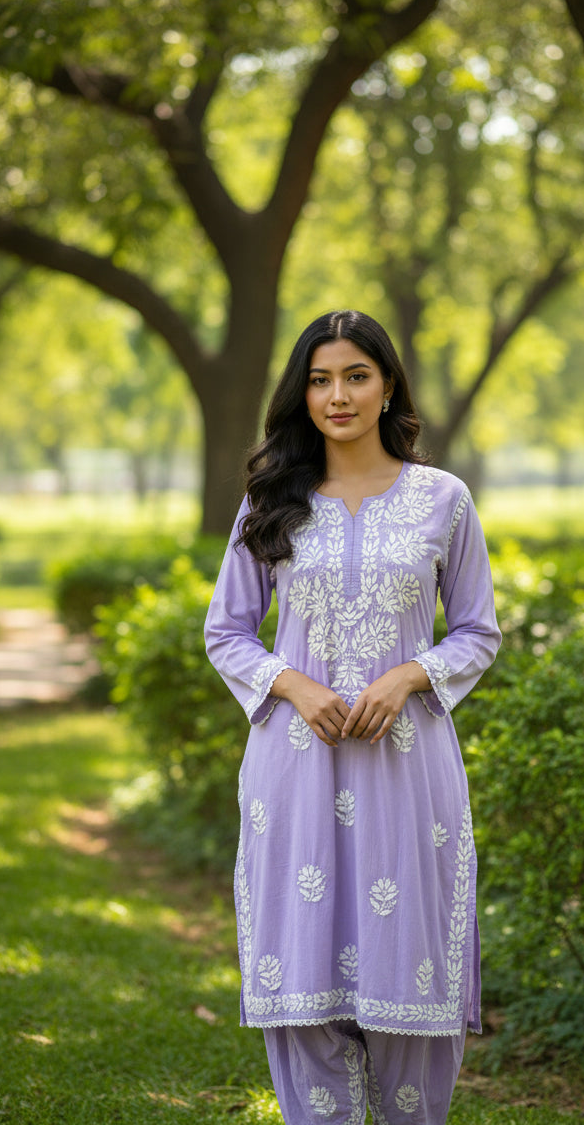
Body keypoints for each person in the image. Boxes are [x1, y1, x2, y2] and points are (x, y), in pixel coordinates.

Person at [204, 309, 501, 1124]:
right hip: (295, 770)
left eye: (356, 376)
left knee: (411, 981)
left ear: (388, 383)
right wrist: (293, 686)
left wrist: (411, 673)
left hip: (409, 773)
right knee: (305, 990)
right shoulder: (271, 499)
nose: (338, 395)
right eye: (320, 379)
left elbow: (479, 630)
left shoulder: (444, 500)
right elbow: (226, 631)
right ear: (302, 393)